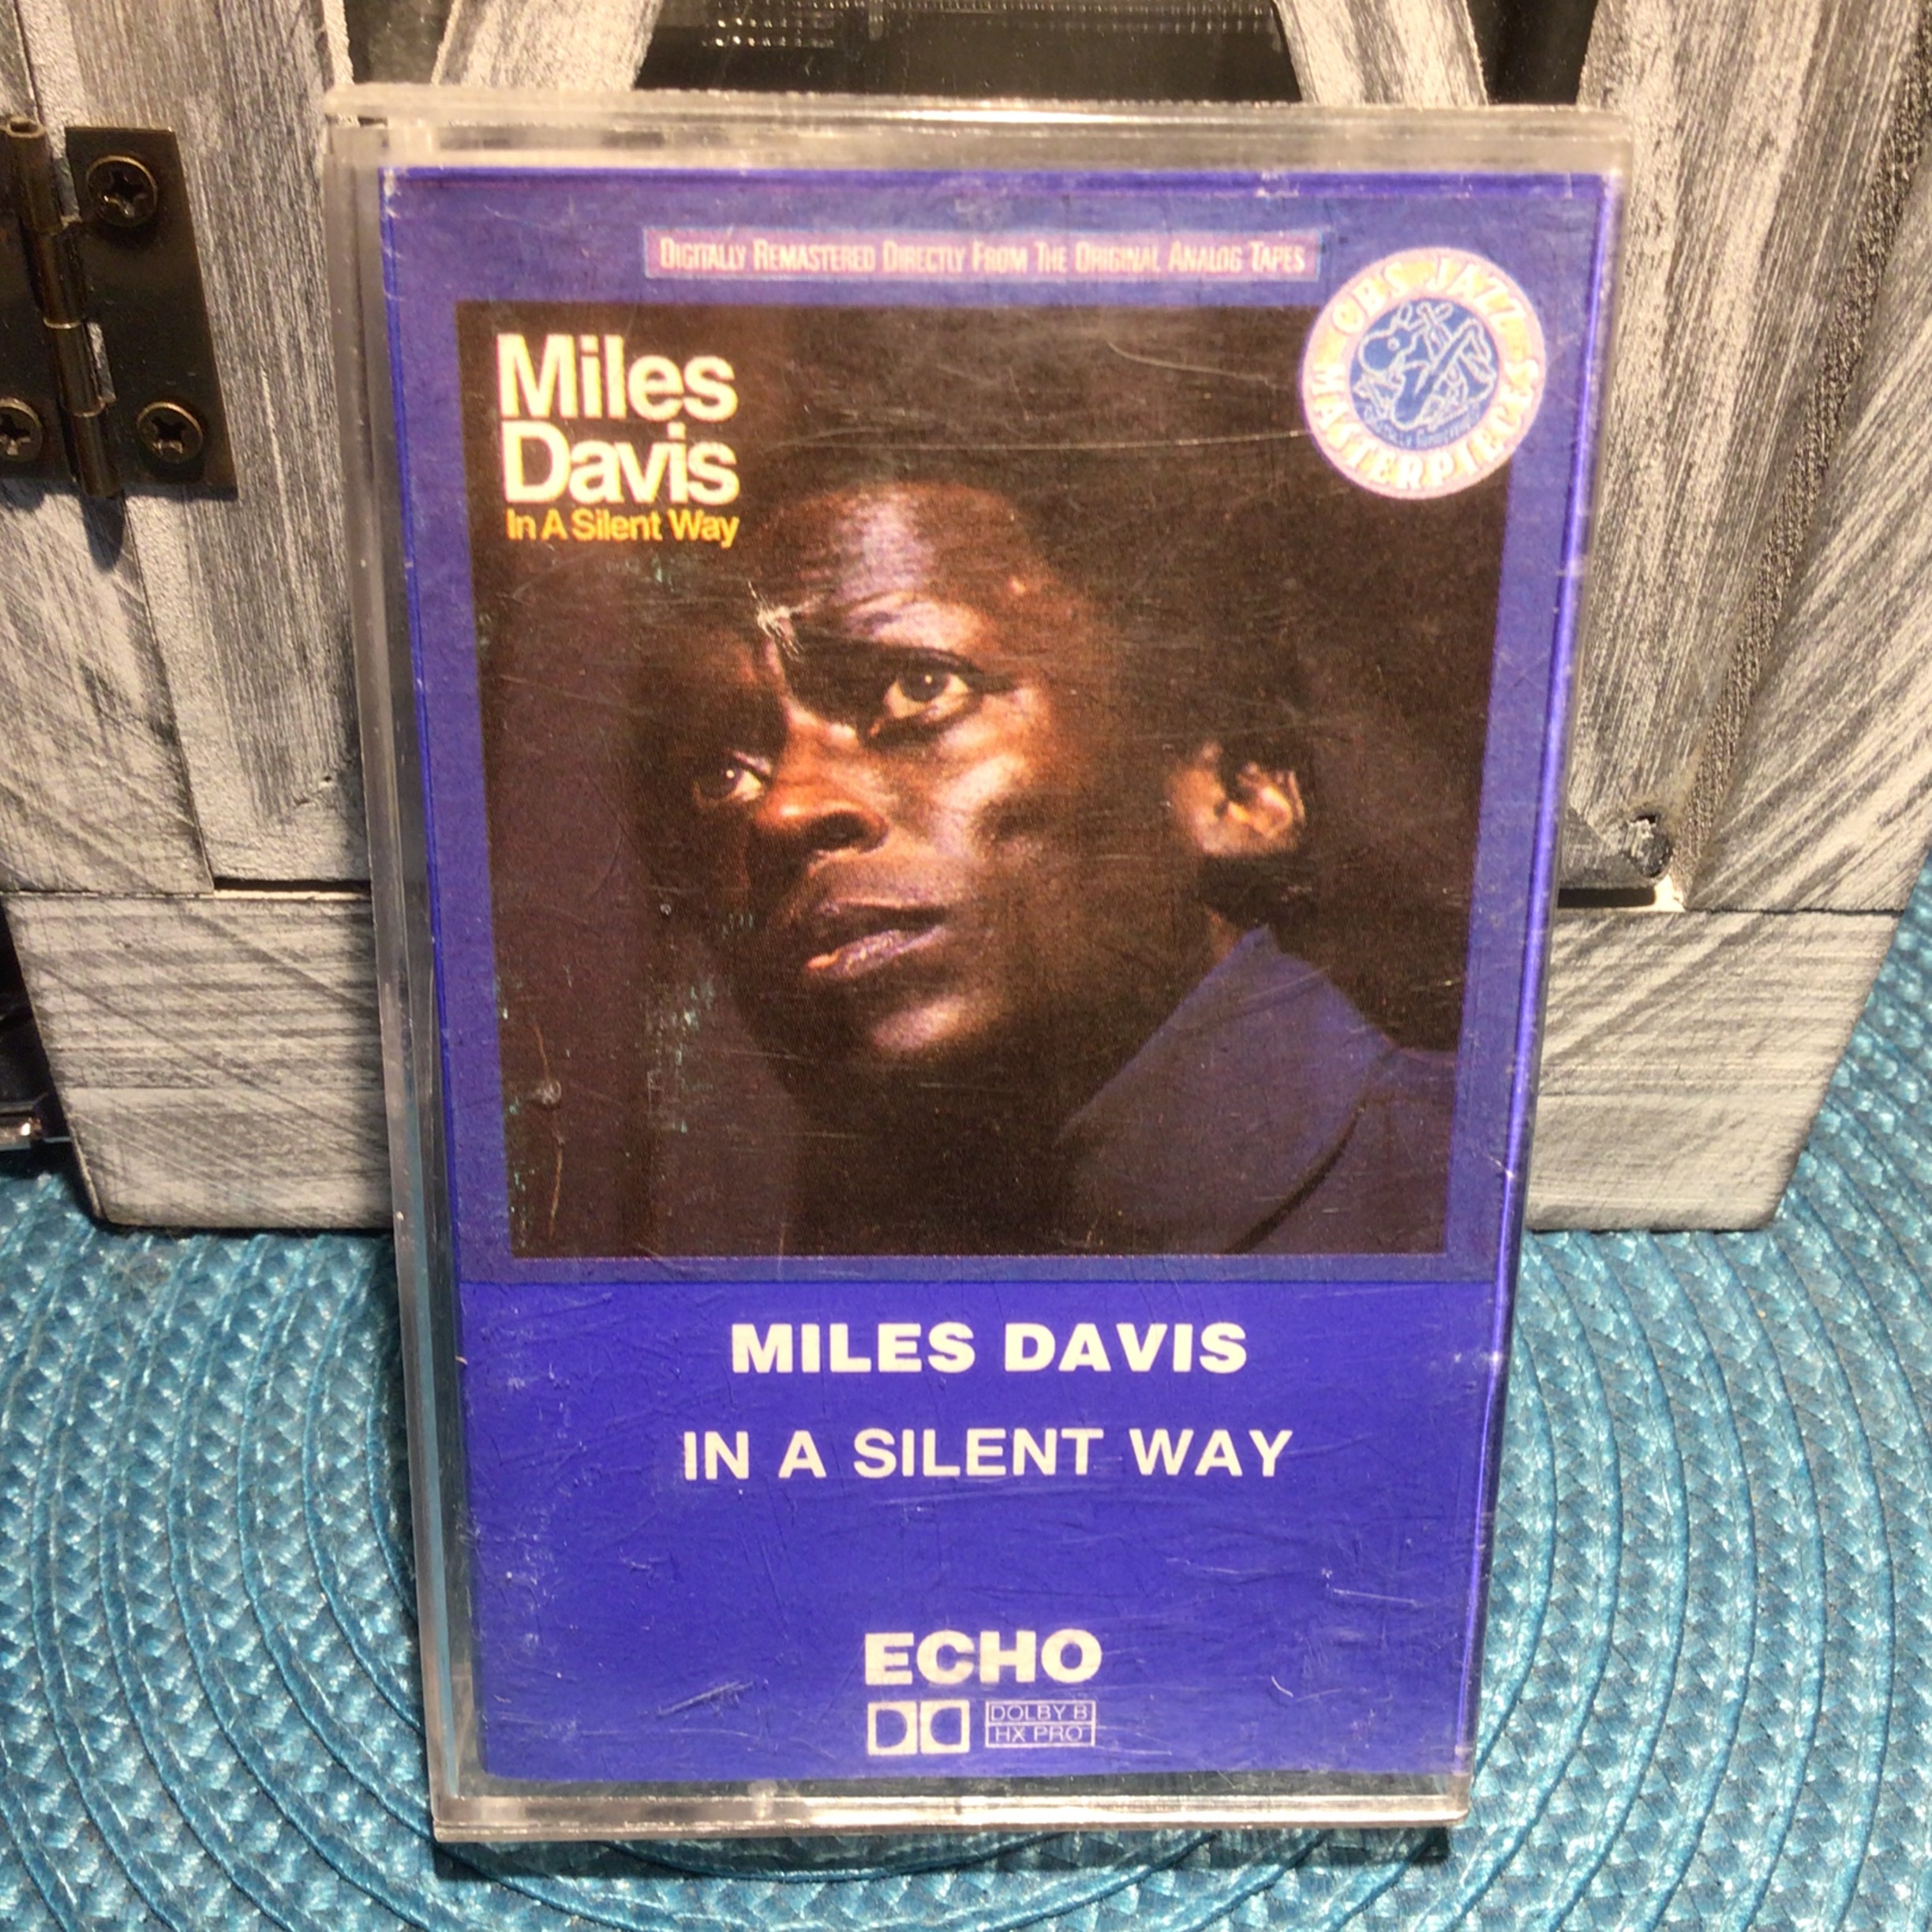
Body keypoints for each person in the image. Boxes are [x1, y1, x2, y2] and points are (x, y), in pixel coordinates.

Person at [660, 469, 1457, 1256]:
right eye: (722, 775)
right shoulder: (792, 1265)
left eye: (919, 687)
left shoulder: (1454, 1208)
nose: (784, 811)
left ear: (1236, 789)